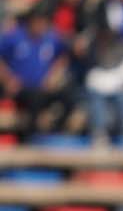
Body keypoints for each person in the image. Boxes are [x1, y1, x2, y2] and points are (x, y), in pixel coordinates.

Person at [0, 9, 73, 140]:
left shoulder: (51, 38)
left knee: (69, 97)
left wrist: (54, 76)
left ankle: (57, 130)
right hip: (22, 88)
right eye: (37, 22)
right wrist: (8, 79)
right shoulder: (15, 37)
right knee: (35, 97)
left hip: (44, 88)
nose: (40, 26)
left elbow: (64, 55)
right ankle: (31, 136)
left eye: (43, 23)